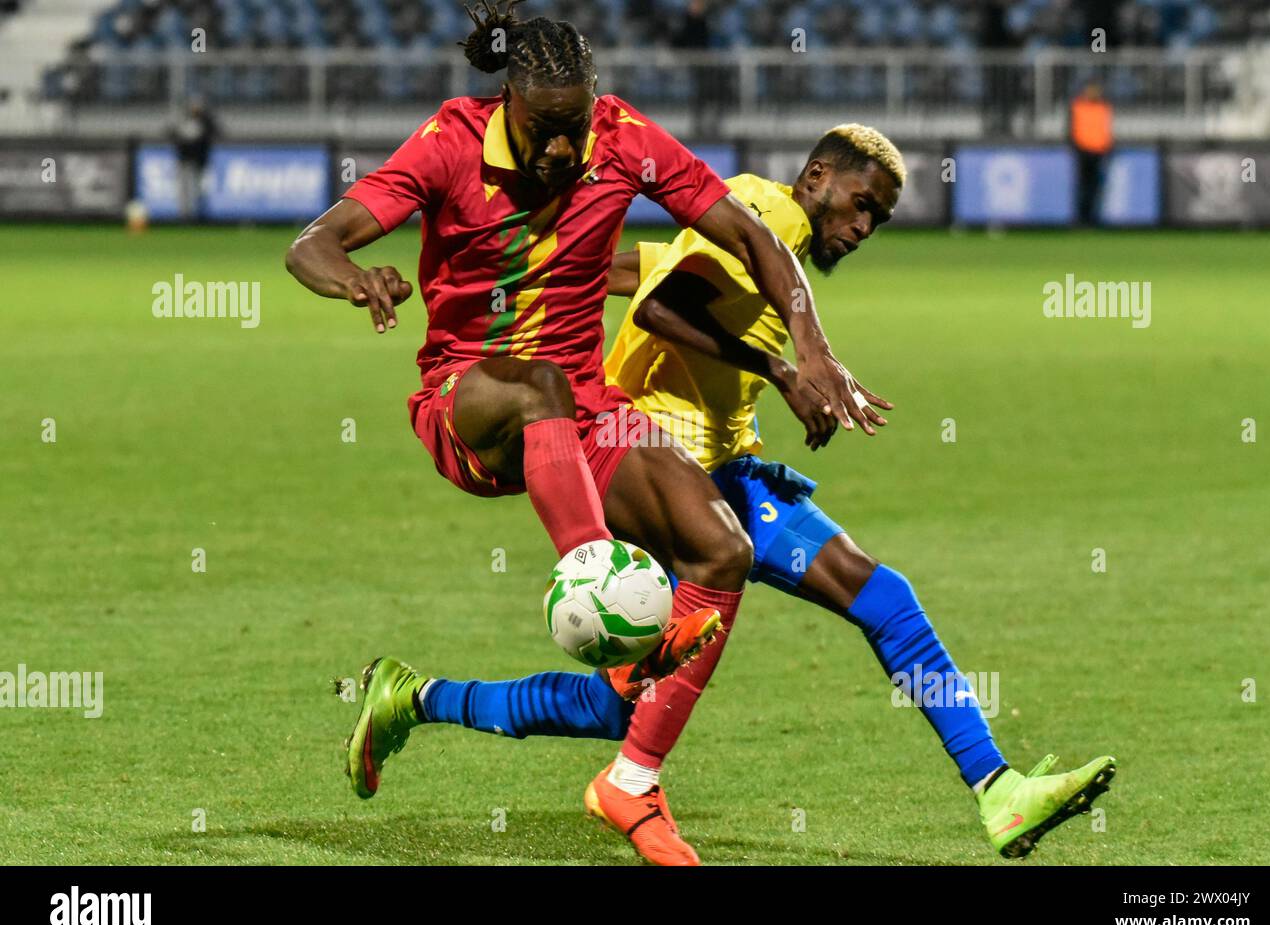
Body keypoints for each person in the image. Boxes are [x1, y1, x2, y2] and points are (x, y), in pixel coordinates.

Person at [377, 124, 1117, 865]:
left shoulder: (760, 220)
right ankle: (517, 738)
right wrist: (787, 371)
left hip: (729, 470)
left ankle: (998, 789)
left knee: (877, 602)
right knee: (621, 699)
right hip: (663, 479)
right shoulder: (773, 217)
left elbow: (642, 276)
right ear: (819, 175)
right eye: (859, 205)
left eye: (879, 220)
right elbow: (663, 307)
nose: (862, 228)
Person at [284, 1, 885, 802]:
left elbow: (753, 237)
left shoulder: (623, 137)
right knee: (541, 386)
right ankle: (593, 572)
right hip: (472, 400)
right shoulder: (449, 143)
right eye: (547, 128)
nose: (565, 146)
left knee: (722, 547)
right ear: (511, 105)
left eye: (578, 124)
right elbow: (311, 244)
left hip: (586, 413)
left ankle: (629, 774)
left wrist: (812, 348)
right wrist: (357, 279)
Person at [1070, 80, 1114, 225]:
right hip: (1083, 152)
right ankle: (1081, 218)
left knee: (1096, 187)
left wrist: (1107, 147)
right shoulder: (1078, 106)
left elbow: (1106, 129)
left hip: (1099, 152)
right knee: (1083, 186)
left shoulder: (1104, 107)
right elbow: (1072, 130)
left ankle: (1093, 219)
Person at [173, 97, 218, 223]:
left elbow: (216, 132)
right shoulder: (184, 120)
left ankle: (198, 215)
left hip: (199, 161)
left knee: (199, 190)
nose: (195, 109)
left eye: (197, 106)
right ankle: (184, 215)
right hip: (184, 160)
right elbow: (173, 134)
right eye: (193, 106)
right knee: (184, 190)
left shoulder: (206, 121)